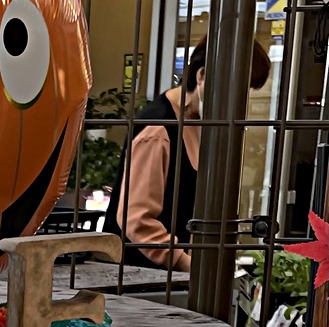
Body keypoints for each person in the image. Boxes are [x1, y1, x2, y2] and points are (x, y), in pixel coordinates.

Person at [103, 38, 270, 274]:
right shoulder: (158, 129)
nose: (237, 104)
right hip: (139, 276)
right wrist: (186, 262)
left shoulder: (198, 123)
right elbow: (136, 220)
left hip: (169, 275)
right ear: (201, 75)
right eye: (232, 92)